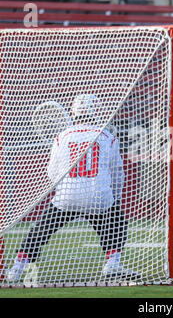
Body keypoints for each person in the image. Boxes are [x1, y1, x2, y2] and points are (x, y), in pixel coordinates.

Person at [6, 94, 139, 283]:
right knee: (117, 223)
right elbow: (117, 173)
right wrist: (114, 199)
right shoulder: (108, 136)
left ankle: (17, 268)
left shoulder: (62, 137)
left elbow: (52, 172)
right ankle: (112, 263)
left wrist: (66, 189)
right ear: (97, 112)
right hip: (98, 195)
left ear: (74, 112)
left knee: (40, 231)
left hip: (67, 196)